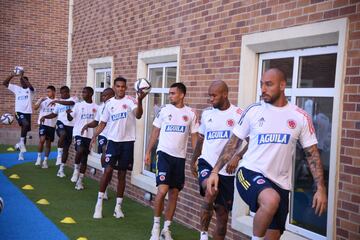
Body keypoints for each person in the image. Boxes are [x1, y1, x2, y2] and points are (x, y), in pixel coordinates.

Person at [207, 68, 328, 240]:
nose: (263, 89)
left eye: (268, 84)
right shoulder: (253, 111)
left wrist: (321, 188)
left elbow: (312, 154)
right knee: (271, 200)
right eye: (261, 84)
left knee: (273, 234)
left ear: (282, 85)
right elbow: (233, 142)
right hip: (249, 172)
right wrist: (215, 171)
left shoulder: (300, 116)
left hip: (281, 183)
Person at [190, 80, 244, 240]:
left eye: (214, 95)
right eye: (209, 96)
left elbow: (250, 140)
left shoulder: (239, 115)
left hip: (227, 170)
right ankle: (204, 234)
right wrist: (193, 159)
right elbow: (201, 139)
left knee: (222, 217)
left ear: (225, 94)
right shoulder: (207, 114)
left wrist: (238, 156)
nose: (211, 99)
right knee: (210, 190)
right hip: (207, 163)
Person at [145, 82, 199, 240]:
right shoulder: (164, 110)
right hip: (163, 155)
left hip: (179, 158)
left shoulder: (190, 113)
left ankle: (166, 229)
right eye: (169, 93)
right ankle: (155, 228)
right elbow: (155, 131)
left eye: (173, 93)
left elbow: (194, 136)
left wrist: (196, 157)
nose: (170, 96)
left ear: (182, 95)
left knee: (174, 194)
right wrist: (148, 151)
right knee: (162, 191)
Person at [92, 76, 147, 219]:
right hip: (113, 142)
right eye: (118, 86)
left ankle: (118, 207)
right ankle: (99, 204)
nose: (121, 89)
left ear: (126, 87)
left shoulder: (131, 101)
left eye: (123, 86)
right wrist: (93, 136)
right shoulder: (109, 103)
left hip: (128, 143)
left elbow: (139, 115)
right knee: (108, 170)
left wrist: (140, 100)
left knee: (122, 174)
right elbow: (103, 123)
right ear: (114, 87)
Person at [81, 88, 114, 197]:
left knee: (110, 165)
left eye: (105, 96)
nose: (103, 98)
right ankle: (104, 174)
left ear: (111, 95)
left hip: (114, 137)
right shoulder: (100, 108)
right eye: (102, 95)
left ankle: (106, 181)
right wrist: (87, 125)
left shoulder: (116, 106)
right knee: (104, 152)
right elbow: (96, 122)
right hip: (103, 135)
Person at [40, 86, 76, 178]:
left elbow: (70, 103)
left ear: (68, 92)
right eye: (61, 93)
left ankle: (61, 169)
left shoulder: (74, 99)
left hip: (71, 127)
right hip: (60, 124)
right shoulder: (58, 103)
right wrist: (45, 116)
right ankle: (59, 155)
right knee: (62, 134)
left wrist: (57, 101)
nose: (62, 94)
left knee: (66, 149)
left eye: (64, 92)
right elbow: (54, 114)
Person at [67, 87, 98, 190]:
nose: (82, 94)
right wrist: (68, 114)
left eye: (85, 92)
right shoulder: (78, 105)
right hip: (78, 133)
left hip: (89, 136)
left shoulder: (96, 107)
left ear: (91, 94)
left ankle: (80, 181)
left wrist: (90, 127)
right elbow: (71, 118)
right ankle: (76, 170)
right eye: (82, 92)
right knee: (79, 150)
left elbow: (97, 122)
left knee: (84, 159)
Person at [3, 70, 35, 160]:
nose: (22, 82)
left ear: (27, 82)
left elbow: (31, 87)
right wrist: (12, 75)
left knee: (24, 132)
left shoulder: (31, 91)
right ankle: (21, 143)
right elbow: (5, 83)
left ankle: (21, 154)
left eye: (24, 81)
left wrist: (22, 76)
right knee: (25, 125)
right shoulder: (17, 89)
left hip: (28, 113)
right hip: (19, 112)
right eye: (21, 81)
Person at [34, 85, 56, 168]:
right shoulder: (43, 100)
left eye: (49, 91)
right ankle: (39, 158)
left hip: (52, 125)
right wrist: (40, 101)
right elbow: (35, 108)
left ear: (53, 92)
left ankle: (45, 161)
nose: (47, 93)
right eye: (47, 91)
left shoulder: (57, 101)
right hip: (43, 124)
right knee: (42, 140)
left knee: (48, 143)